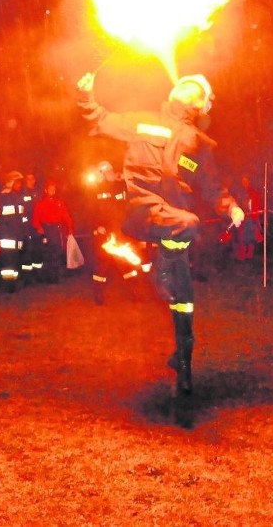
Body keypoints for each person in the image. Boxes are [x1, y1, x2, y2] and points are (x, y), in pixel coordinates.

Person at [77, 71, 244, 394]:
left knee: (184, 298)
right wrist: (86, 96)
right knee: (190, 224)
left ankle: (183, 359)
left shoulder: (198, 143)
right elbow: (103, 119)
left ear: (201, 104)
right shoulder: (143, 122)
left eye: (197, 91)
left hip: (173, 224)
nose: (188, 91)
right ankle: (160, 273)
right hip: (145, 210)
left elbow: (210, 185)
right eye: (186, 86)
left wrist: (230, 207)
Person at [86, 160, 143, 305]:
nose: (111, 174)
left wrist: (124, 178)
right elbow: (89, 211)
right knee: (102, 265)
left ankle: (135, 291)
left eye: (112, 171)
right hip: (103, 234)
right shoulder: (95, 190)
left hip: (118, 230)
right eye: (108, 172)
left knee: (124, 262)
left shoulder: (119, 187)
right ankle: (98, 293)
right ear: (102, 175)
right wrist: (97, 225)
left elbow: (128, 202)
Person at [32, 179, 74, 284]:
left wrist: (70, 228)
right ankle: (46, 276)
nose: (52, 191)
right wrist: (39, 228)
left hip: (56, 230)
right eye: (50, 189)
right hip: (46, 230)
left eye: (54, 189)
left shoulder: (59, 203)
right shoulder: (40, 203)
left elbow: (66, 216)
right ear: (46, 190)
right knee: (46, 253)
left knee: (56, 252)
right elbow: (35, 219)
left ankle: (55, 277)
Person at [0, 171, 28, 291]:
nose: (20, 185)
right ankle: (7, 284)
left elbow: (22, 217)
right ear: (10, 183)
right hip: (6, 235)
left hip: (17, 235)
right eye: (17, 182)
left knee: (15, 260)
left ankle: (12, 283)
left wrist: (24, 232)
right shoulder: (3, 197)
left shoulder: (19, 197)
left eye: (20, 182)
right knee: (7, 261)